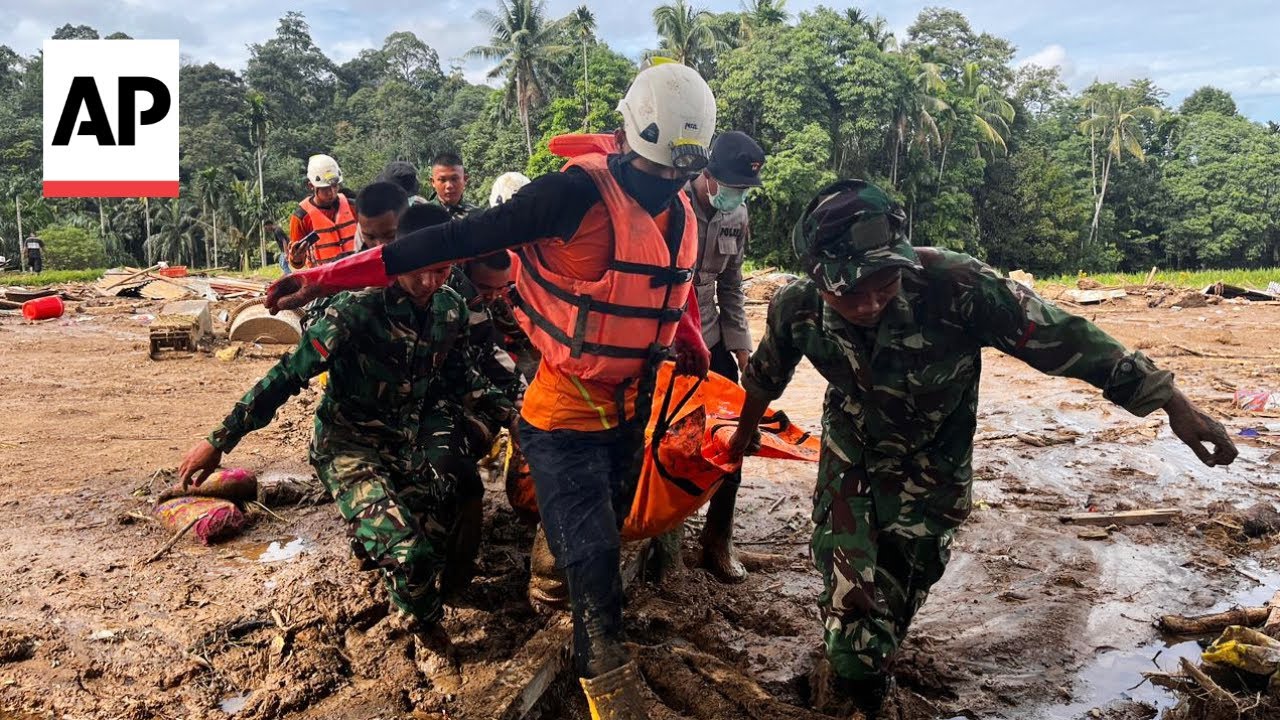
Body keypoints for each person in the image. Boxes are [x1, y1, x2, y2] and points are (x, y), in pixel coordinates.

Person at [264, 59, 717, 719]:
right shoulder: (567, 198)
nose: (664, 185)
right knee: (591, 558)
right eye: (656, 171)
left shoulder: (680, 212)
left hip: (628, 408)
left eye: (678, 174)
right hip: (562, 410)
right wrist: (328, 278)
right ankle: (609, 686)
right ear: (627, 143)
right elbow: (452, 238)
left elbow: (668, 300)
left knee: (604, 530)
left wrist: (696, 353)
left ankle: (555, 582)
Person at [722, 179, 1239, 718]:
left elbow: (1068, 338)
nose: (872, 300)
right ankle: (864, 690)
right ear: (817, 277)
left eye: (885, 280)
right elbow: (765, 376)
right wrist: (741, 437)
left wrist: (1170, 400)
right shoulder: (796, 307)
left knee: (896, 599)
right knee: (854, 630)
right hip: (852, 457)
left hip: (934, 468)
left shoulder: (958, 286)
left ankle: (866, 663)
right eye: (851, 290)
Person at [179, 201, 514, 683]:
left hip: (406, 442)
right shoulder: (356, 310)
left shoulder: (449, 309)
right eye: (420, 271)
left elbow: (463, 379)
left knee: (435, 534)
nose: (429, 282)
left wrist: (518, 417)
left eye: (441, 271)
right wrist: (219, 440)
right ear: (397, 260)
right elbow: (284, 377)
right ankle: (426, 631)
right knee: (410, 556)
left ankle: (384, 561)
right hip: (349, 446)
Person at [684, 130, 766, 584]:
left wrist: (742, 349)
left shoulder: (737, 214)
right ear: (708, 174)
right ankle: (659, 532)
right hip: (669, 341)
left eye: (743, 189)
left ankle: (718, 539)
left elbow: (731, 285)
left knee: (733, 437)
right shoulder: (671, 207)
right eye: (731, 185)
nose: (735, 195)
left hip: (712, 335)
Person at [288, 154, 358, 270]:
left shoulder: (353, 206)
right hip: (325, 281)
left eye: (334, 186)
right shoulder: (301, 217)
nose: (331, 192)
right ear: (311, 186)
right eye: (325, 188)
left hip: (357, 274)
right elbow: (297, 263)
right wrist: (296, 258)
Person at [428, 152, 477, 219]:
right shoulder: (424, 215)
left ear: (465, 180)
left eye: (454, 179)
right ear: (433, 182)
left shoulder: (477, 216)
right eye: (442, 180)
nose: (449, 186)